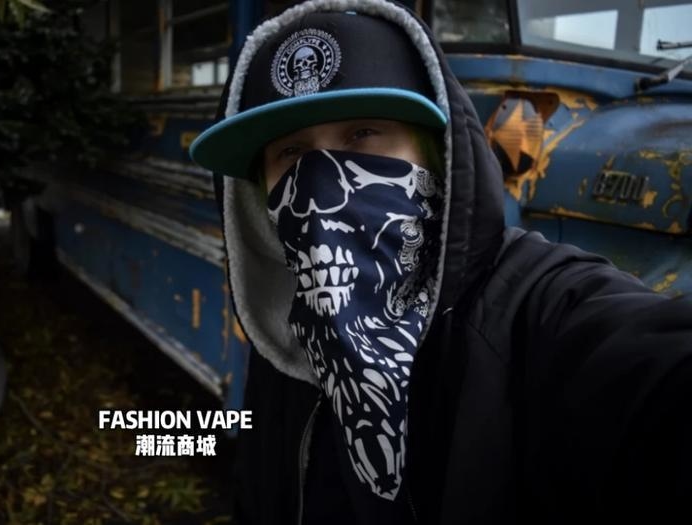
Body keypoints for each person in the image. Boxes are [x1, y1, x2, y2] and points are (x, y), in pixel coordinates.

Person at [189, 1, 692, 524]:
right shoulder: (292, 341)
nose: (317, 192)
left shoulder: (535, 315)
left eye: (363, 133)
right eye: (290, 154)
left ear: (437, 154)